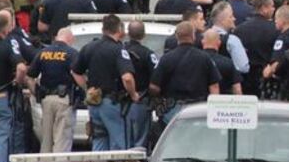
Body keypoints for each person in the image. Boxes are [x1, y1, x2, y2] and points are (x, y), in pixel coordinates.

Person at [71, 14, 139, 151]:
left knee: (99, 140)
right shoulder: (118, 49)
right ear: (119, 29)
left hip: (94, 102)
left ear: (103, 29)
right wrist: (133, 94)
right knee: (119, 143)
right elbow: (127, 77)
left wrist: (87, 89)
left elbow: (75, 72)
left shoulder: (89, 47)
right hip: (112, 103)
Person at [149, 21, 220, 125]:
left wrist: (159, 99)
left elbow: (154, 86)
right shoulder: (205, 58)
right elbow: (214, 86)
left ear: (177, 36)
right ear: (193, 36)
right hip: (198, 107)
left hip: (172, 109)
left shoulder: (166, 58)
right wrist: (214, 109)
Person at [234, 0, 278, 96]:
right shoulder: (274, 29)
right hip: (266, 77)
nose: (274, 9)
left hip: (245, 78)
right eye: (272, 6)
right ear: (264, 8)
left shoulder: (239, 29)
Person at [0, 11, 27, 162]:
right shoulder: (7, 44)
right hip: (2, 94)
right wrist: (18, 81)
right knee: (3, 134)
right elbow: (21, 67)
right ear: (5, 28)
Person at [124, 21, 158, 148]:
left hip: (120, 102)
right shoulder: (148, 54)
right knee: (140, 140)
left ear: (128, 34)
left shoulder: (120, 51)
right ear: (144, 35)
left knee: (124, 140)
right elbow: (156, 76)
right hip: (141, 100)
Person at [209, 2, 250, 75]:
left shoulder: (203, 37)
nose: (234, 19)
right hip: (228, 80)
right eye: (231, 16)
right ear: (223, 20)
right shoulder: (232, 40)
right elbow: (243, 67)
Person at [202, 30, 243, 95]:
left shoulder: (196, 60)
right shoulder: (227, 62)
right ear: (219, 43)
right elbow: (237, 89)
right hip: (222, 100)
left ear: (202, 42)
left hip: (198, 100)